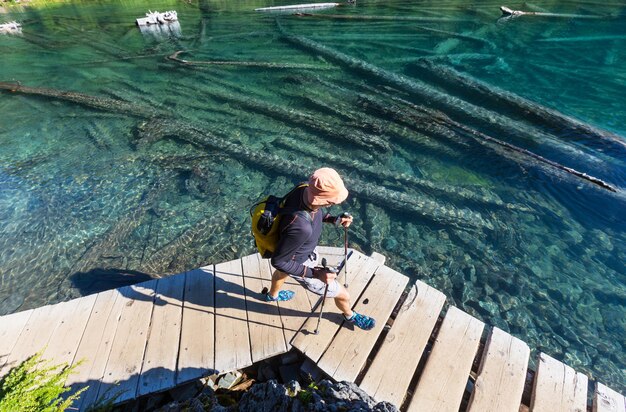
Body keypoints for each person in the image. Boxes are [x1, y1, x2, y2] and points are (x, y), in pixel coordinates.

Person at [266, 167, 376, 331]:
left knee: (282, 274)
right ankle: (349, 316)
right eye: (332, 202)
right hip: (302, 262)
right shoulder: (300, 227)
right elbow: (279, 261)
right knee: (343, 295)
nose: (333, 204)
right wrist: (316, 273)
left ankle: (271, 296)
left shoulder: (303, 188)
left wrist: (334, 219)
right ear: (320, 200)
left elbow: (316, 213)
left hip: (297, 250)